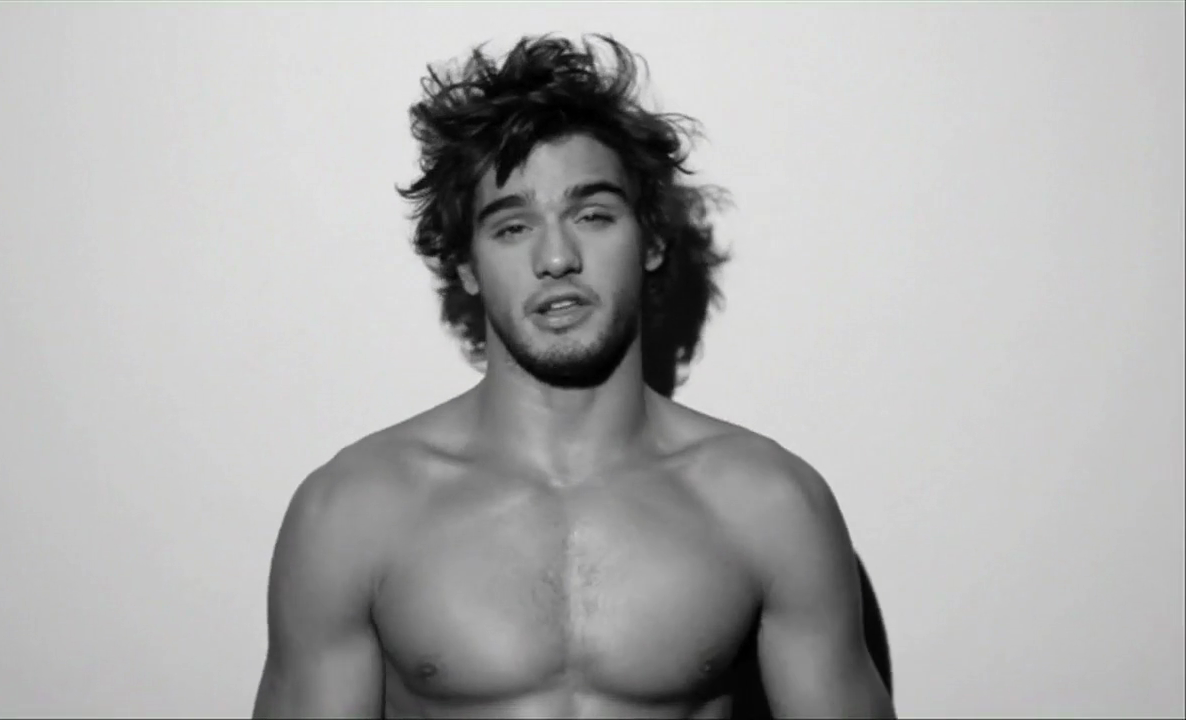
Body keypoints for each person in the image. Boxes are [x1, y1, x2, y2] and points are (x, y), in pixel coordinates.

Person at [252, 34, 896, 720]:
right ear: (466, 265)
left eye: (592, 215)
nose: (556, 258)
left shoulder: (770, 506)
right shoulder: (352, 513)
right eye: (511, 227)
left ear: (651, 239)